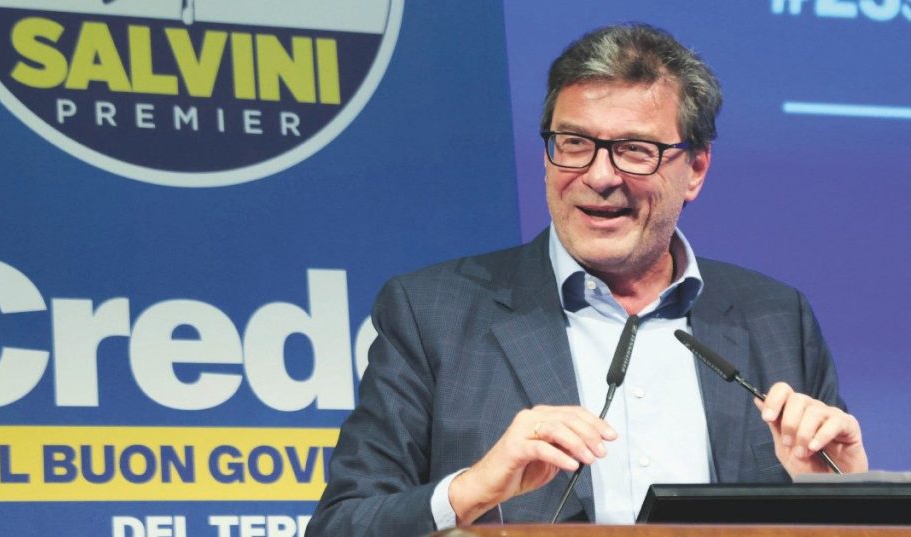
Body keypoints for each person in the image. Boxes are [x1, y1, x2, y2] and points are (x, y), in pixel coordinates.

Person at [307, 23, 868, 535]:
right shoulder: (432, 314)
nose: (599, 176)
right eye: (574, 143)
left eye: (634, 150)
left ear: (695, 169)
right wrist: (472, 491)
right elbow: (340, 527)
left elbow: (841, 518)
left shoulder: (777, 319)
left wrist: (848, 495)